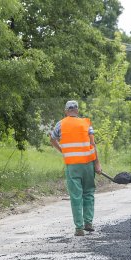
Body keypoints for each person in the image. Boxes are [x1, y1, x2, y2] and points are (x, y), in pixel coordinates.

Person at [50, 100, 102, 236]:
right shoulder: (86, 123)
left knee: (76, 196)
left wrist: (63, 150)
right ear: (77, 111)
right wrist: (97, 164)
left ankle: (79, 228)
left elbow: (52, 139)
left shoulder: (60, 124)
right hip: (88, 164)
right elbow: (93, 143)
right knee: (89, 193)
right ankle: (88, 222)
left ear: (66, 111)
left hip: (72, 165)